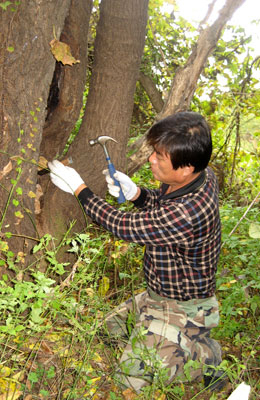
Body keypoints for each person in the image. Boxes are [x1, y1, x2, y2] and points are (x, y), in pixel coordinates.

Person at [48, 111, 224, 393]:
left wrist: (79, 189)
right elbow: (164, 206)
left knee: (128, 380)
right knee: (105, 334)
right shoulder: (199, 175)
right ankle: (164, 334)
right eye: (154, 151)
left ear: (186, 167)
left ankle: (203, 355)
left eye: (159, 156)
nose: (151, 159)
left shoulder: (190, 213)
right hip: (155, 295)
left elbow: (124, 225)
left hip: (182, 307)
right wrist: (138, 195)